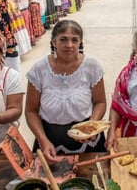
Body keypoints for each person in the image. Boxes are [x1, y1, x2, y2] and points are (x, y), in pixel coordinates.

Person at [25, 20, 107, 163]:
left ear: (80, 42)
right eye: (63, 39)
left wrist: (91, 126)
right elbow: (31, 111)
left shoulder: (92, 67)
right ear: (53, 42)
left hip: (87, 142)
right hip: (49, 141)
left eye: (74, 40)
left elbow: (100, 102)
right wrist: (43, 140)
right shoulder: (39, 70)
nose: (69, 45)